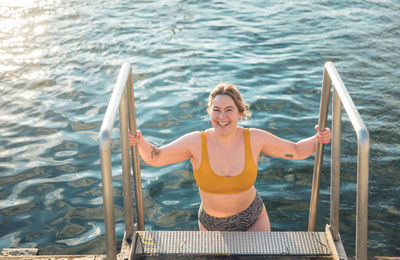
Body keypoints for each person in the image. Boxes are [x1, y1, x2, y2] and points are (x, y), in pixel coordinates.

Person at [129, 83, 331, 232]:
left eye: (228, 110)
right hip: (211, 224)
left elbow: (295, 150)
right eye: (216, 110)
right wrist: (140, 142)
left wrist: (317, 139)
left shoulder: (254, 138)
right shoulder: (195, 142)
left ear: (240, 113)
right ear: (210, 112)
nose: (222, 117)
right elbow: (156, 157)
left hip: (253, 218)